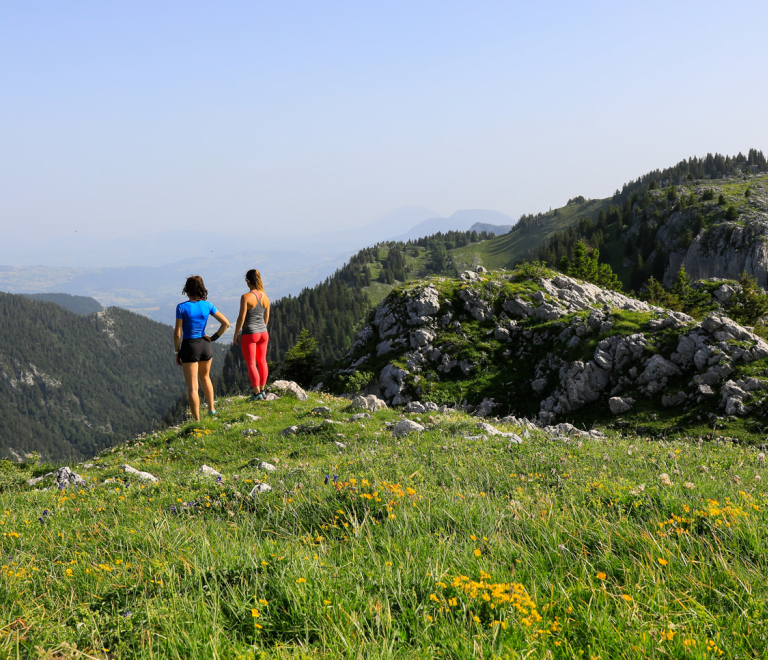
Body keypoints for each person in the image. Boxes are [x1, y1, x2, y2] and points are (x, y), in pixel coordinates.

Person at [174, 275, 230, 419]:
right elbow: (226, 323)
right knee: (206, 378)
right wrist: (213, 338)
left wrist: (176, 351)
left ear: (187, 290)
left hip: (189, 346)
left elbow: (178, 333)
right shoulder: (208, 305)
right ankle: (212, 411)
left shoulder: (181, 307)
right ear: (201, 289)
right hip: (205, 345)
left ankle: (197, 420)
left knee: (193, 387)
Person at [233, 269, 270, 401]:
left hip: (250, 333)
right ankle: (263, 390)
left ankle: (256, 393)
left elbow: (241, 318)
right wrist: (262, 328)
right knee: (262, 361)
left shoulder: (246, 297)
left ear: (248, 282)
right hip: (263, 333)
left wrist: (236, 333)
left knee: (251, 363)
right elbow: (266, 317)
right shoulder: (265, 296)